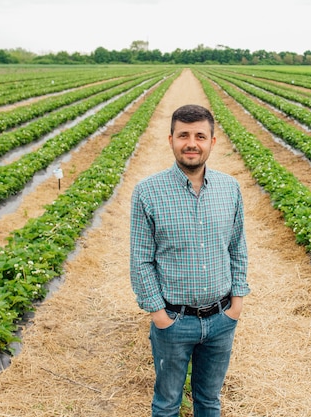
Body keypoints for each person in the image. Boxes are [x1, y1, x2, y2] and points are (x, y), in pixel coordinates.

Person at [130, 104, 250, 417]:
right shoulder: (148, 192)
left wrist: (236, 305)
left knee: (209, 401)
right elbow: (141, 260)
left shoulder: (230, 188)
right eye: (183, 135)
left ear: (213, 141)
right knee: (167, 402)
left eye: (200, 135)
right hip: (173, 321)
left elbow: (237, 247)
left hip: (222, 319)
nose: (191, 143)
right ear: (170, 139)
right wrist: (159, 316)